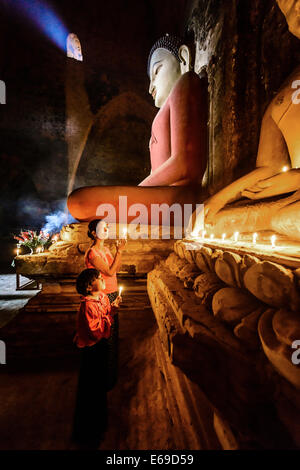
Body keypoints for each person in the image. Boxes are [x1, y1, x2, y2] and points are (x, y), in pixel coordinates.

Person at [67, 34, 208, 223]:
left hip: (182, 199)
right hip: (167, 197)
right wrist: (136, 193)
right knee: (79, 203)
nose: (151, 87)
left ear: (183, 58)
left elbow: (184, 165)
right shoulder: (166, 108)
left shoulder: (186, 82)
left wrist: (138, 191)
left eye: (157, 71)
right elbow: (156, 172)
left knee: (80, 201)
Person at [191, 1, 300, 241]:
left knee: (288, 218)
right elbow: (269, 166)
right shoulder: (286, 92)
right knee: (215, 222)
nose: (297, 7)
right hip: (294, 200)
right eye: (289, 3)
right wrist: (219, 198)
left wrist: (297, 177)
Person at [72, 268, 122, 445]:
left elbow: (107, 312)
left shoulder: (101, 297)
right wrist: (110, 315)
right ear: (88, 286)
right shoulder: (87, 305)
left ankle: (101, 422)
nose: (103, 280)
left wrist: (112, 308)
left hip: (100, 347)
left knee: (99, 387)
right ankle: (89, 431)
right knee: (90, 390)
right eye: (99, 278)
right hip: (91, 351)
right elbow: (95, 331)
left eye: (102, 277)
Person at [84, 219, 126, 389]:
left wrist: (119, 252)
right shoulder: (93, 253)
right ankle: (103, 379)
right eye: (103, 227)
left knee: (113, 334)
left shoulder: (106, 249)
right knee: (105, 335)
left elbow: (116, 268)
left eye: (107, 226)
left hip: (113, 292)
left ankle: (110, 375)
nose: (107, 228)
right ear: (94, 233)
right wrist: (119, 252)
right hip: (102, 296)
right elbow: (108, 271)